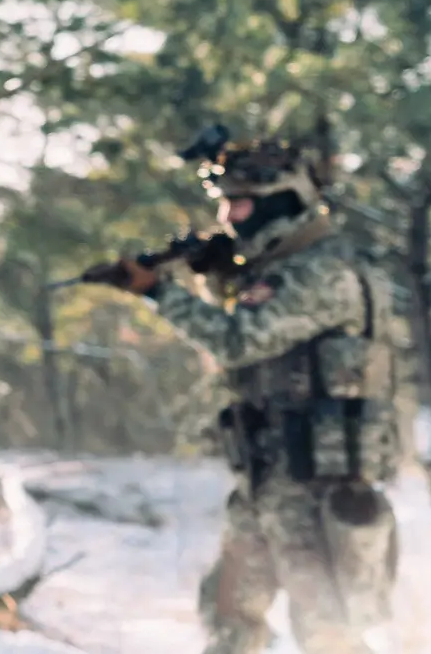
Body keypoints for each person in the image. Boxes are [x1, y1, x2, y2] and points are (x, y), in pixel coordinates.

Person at [112, 133, 399, 654]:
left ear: (280, 201)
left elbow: (237, 340)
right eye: (223, 203)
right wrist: (216, 273)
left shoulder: (323, 271)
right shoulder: (285, 268)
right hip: (269, 474)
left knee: (327, 626)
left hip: (315, 481)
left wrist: (157, 291)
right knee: (228, 608)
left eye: (239, 204)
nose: (228, 217)